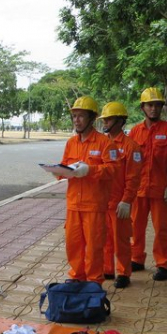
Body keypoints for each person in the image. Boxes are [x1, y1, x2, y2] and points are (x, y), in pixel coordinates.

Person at [55, 96, 119, 284]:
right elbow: (66, 165)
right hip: (74, 205)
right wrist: (58, 171)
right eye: (74, 116)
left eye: (81, 116)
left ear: (91, 118)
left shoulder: (106, 143)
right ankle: (77, 276)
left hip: (94, 206)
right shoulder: (71, 143)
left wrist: (90, 170)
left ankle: (93, 282)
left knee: (93, 247)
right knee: (73, 245)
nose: (76, 120)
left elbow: (113, 169)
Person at [128, 87, 167, 281]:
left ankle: (164, 264)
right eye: (150, 105)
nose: (153, 109)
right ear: (142, 107)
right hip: (138, 190)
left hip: (161, 191)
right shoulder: (135, 132)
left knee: (163, 229)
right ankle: (136, 259)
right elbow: (129, 162)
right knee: (135, 227)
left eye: (157, 105)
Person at [98, 102, 142, 288]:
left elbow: (133, 178)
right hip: (102, 202)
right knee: (104, 238)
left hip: (119, 202)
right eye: (104, 119)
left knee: (121, 239)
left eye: (108, 119)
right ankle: (108, 269)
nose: (105, 122)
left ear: (120, 121)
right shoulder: (102, 143)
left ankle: (123, 272)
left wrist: (126, 201)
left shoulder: (131, 147)